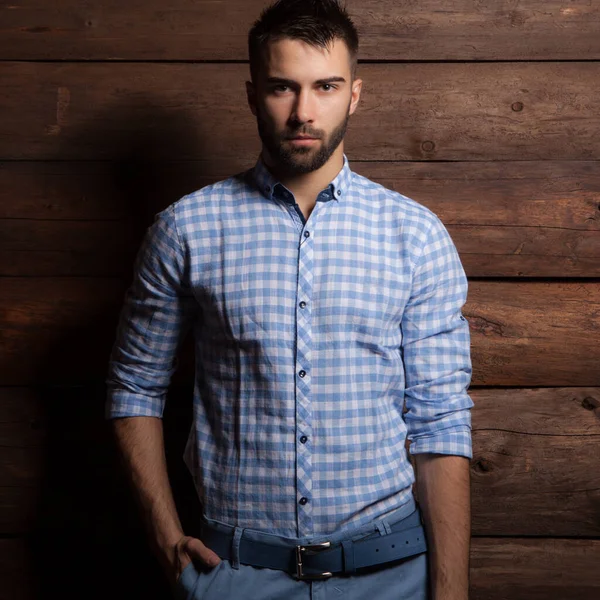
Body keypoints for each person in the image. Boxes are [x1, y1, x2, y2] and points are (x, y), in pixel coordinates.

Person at [105, 1, 474, 599]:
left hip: (391, 575)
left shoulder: (415, 235)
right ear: (253, 95)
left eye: (325, 86)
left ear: (354, 94)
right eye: (283, 87)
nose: (304, 112)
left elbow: (440, 421)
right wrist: (166, 540)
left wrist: (451, 590)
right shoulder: (186, 230)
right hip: (234, 576)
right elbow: (134, 386)